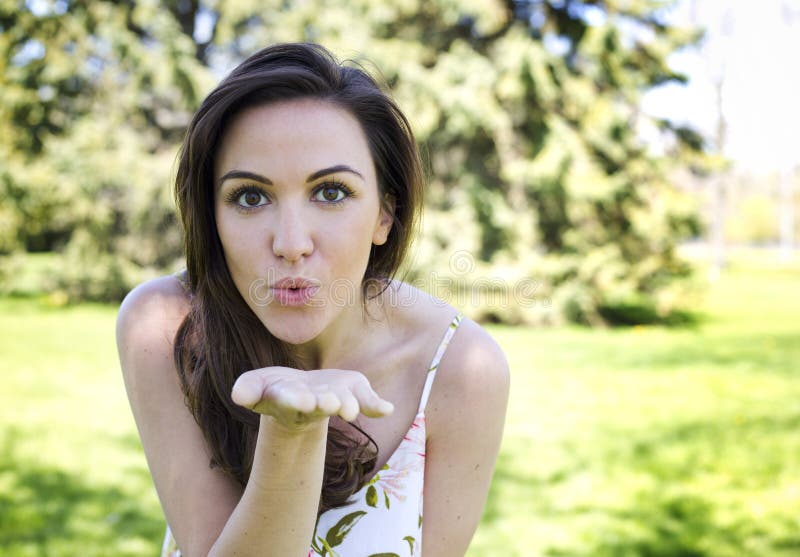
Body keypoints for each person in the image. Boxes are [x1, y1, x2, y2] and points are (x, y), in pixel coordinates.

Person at [116, 42, 509, 557]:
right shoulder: (165, 325)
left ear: (385, 215)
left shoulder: (462, 370)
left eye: (330, 192)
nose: (291, 243)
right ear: (211, 215)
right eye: (250, 197)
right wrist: (291, 432)